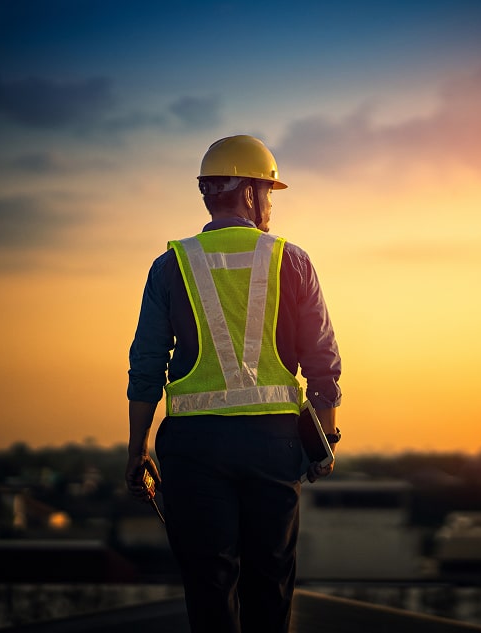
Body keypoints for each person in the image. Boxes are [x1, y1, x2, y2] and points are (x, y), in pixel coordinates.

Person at [124, 134, 342, 633]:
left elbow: (146, 367)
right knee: (269, 585)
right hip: (274, 444)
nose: (270, 205)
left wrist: (137, 451)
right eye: (268, 192)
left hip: (194, 450)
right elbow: (323, 358)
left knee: (209, 588)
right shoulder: (294, 260)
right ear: (248, 193)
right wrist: (325, 437)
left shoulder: (170, 265)